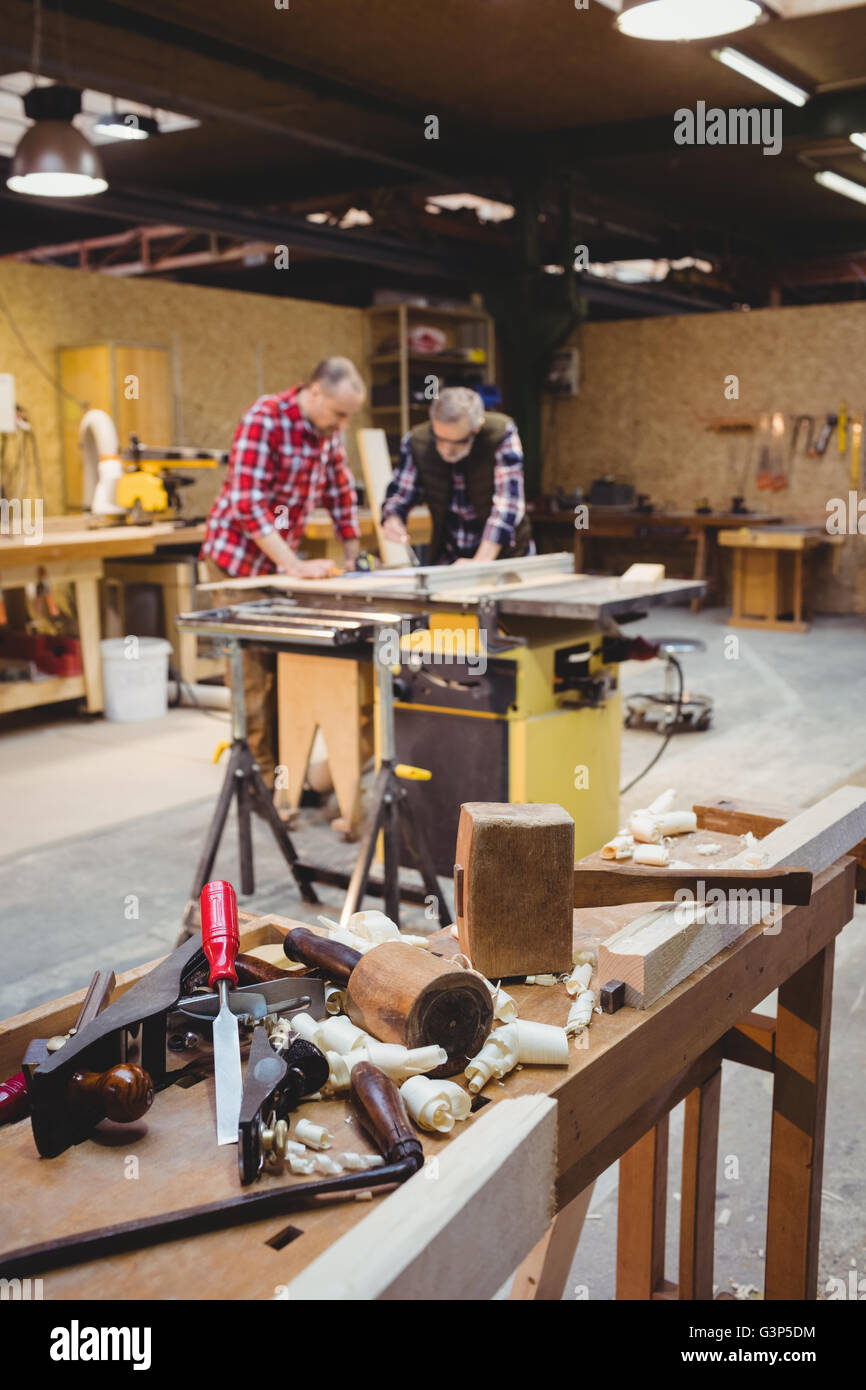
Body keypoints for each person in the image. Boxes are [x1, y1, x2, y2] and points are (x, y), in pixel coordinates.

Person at [201, 356, 366, 791]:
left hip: (277, 564)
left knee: (284, 673)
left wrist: (354, 556)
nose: (343, 425)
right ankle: (258, 785)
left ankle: (285, 782)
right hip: (236, 563)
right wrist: (291, 564)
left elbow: (340, 490)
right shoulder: (265, 419)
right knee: (252, 678)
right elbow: (248, 504)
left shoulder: (327, 430)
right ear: (315, 392)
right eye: (339, 414)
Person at [380, 386, 533, 565]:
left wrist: (481, 560)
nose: (446, 449)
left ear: (477, 427)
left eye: (458, 442)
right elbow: (400, 495)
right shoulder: (417, 441)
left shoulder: (501, 434)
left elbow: (508, 505)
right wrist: (393, 519)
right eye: (440, 439)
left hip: (505, 558)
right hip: (450, 556)